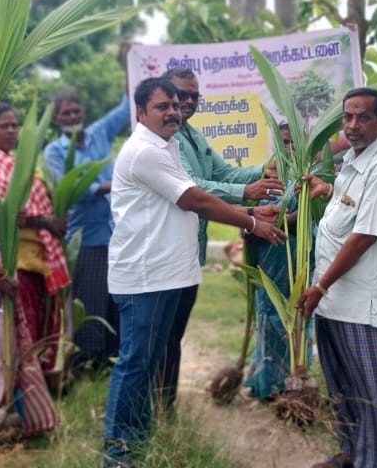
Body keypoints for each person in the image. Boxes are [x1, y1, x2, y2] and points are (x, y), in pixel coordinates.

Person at [102, 77, 284, 467]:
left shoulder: (168, 147)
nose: (172, 111)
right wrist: (252, 223)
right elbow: (195, 199)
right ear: (140, 112)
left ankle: (139, 437)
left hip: (168, 275)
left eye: (175, 104)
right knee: (135, 363)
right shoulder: (144, 152)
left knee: (149, 362)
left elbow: (195, 192)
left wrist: (251, 211)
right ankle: (117, 452)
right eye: (161, 106)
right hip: (146, 278)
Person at [300, 88, 377, 468]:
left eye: (362, 117)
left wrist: (319, 285)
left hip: (365, 307)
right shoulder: (355, 159)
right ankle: (354, 456)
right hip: (338, 302)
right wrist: (328, 190)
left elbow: (364, 235)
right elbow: (353, 207)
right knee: (345, 391)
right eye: (347, 117)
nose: (352, 125)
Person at [159, 66, 284, 411]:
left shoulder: (193, 136)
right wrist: (247, 192)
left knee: (173, 334)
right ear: (164, 96)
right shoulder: (166, 138)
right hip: (167, 252)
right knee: (162, 336)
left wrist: (263, 173)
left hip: (187, 252)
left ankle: (163, 406)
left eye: (192, 96)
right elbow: (195, 189)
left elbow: (221, 173)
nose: (186, 101)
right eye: (179, 94)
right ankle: (154, 409)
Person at [0, 102, 64, 440]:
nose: (11, 130)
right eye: (4, 125)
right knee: (11, 341)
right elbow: (7, 215)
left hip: (37, 262)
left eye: (15, 125)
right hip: (13, 263)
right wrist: (43, 222)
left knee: (33, 336)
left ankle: (24, 412)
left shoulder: (18, 164)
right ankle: (8, 412)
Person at [45, 87, 131, 371]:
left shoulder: (98, 132)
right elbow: (70, 187)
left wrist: (130, 63)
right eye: (65, 113)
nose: (72, 116)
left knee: (114, 296)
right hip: (85, 237)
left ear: (82, 111)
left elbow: (126, 107)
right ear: (57, 119)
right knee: (89, 300)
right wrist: (109, 186)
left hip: (115, 231)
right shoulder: (54, 151)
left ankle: (107, 356)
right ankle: (84, 361)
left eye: (75, 111)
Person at [245, 123, 306, 400]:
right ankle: (265, 383)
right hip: (268, 255)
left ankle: (290, 381)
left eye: (293, 142)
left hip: (296, 252)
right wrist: (252, 223)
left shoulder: (307, 176)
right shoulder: (267, 173)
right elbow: (248, 214)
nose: (288, 149)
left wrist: (268, 220)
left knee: (294, 316)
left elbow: (307, 216)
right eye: (283, 142)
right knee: (267, 314)